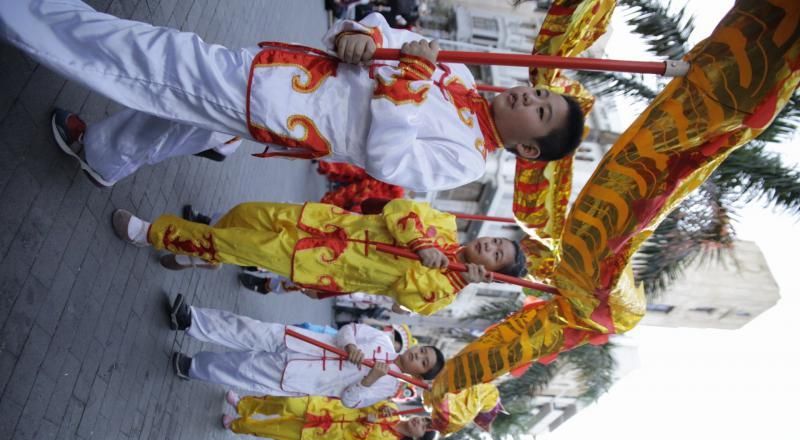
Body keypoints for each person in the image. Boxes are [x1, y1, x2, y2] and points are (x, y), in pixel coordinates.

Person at [0, 3, 585, 189]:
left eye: (539, 111)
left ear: (528, 151)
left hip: (275, 107)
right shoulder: (458, 76)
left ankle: (23, 15)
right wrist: (362, 36)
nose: (525, 97)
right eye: (536, 91)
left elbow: (388, 163)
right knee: (185, 118)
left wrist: (406, 81)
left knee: (150, 55)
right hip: (281, 75)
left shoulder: (465, 159)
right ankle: (103, 155)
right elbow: (392, 34)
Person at [113, 198, 528, 315]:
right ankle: (200, 255)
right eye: (497, 241)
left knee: (235, 244)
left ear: (490, 274)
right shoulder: (444, 226)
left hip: (319, 263)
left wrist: (448, 273)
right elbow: (399, 210)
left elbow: (407, 295)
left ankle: (151, 233)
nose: (491, 246)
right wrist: (424, 244)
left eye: (497, 255)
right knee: (242, 216)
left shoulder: (442, 295)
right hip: (322, 223)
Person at [167, 295, 445, 407]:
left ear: (420, 374)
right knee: (246, 328)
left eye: (423, 362)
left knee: (241, 369)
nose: (418, 356)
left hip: (300, 377)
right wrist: (349, 345)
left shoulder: (387, 388)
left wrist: (368, 380)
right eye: (423, 351)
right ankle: (190, 320)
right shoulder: (385, 341)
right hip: (302, 341)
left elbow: (350, 401)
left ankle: (191, 367)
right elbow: (348, 329)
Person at [221, 392, 437, 440]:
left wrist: (367, 426)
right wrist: (380, 410)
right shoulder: (393, 411)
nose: (421, 422)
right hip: (325, 408)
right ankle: (244, 405)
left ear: (417, 439)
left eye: (424, 428)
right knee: (285, 403)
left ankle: (238, 425)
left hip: (320, 434)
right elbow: (366, 400)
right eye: (425, 419)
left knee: (272, 429)